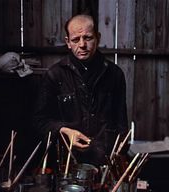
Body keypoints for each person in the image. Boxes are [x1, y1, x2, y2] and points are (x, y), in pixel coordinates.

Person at [33, 14, 128, 168]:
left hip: (104, 161)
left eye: (88, 38)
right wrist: (65, 131)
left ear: (98, 37)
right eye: (76, 40)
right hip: (67, 161)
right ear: (68, 42)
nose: (82, 45)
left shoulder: (115, 74)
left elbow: (121, 124)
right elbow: (39, 121)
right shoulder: (54, 75)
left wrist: (120, 157)